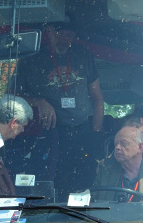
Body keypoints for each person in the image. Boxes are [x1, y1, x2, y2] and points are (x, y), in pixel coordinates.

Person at [12, 19, 105, 193]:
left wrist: (95, 135)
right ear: (49, 31)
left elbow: (98, 98)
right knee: (52, 182)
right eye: (60, 34)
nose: (64, 39)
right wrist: (39, 102)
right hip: (48, 134)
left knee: (84, 182)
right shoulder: (31, 58)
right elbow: (11, 96)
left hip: (83, 131)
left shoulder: (83, 55)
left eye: (69, 35)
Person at [93, 125, 143, 202]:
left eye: (124, 143)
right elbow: (90, 202)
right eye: (115, 144)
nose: (117, 147)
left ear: (140, 147)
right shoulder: (105, 172)